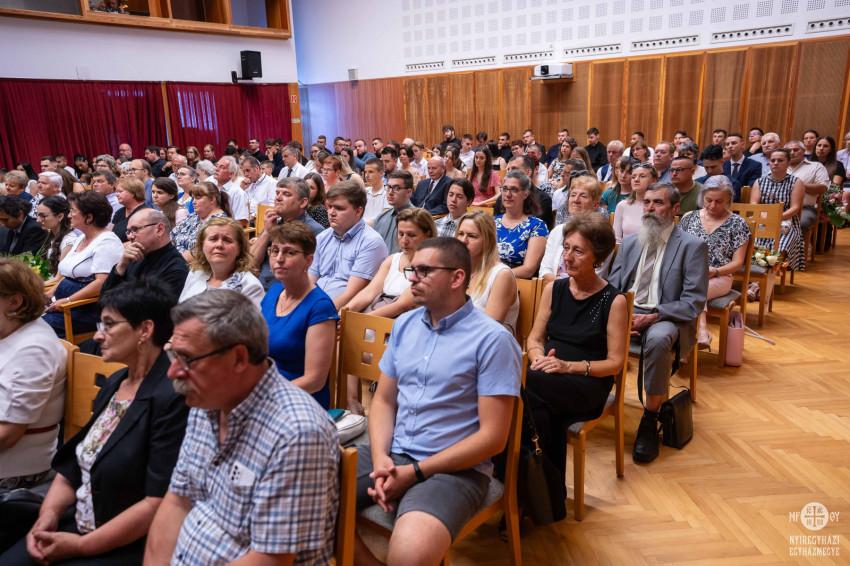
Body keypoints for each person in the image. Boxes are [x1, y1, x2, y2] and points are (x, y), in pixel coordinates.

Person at [353, 237, 521, 566]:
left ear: (457, 278)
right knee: (297, 495)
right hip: (395, 452)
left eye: (424, 271)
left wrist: (415, 472)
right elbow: (384, 401)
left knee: (409, 556)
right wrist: (381, 458)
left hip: (455, 469)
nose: (412, 278)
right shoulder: (404, 325)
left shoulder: (493, 340)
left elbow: (493, 438)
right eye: (412, 270)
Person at [1, 278, 188, 565]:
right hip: (81, 517)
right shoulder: (116, 381)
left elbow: (158, 502)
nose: (98, 336)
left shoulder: (173, 399)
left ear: (145, 329)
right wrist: (47, 515)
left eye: (108, 325)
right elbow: (73, 464)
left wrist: (81, 546)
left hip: (124, 539)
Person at [144, 290, 339, 565]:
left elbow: (269, 560)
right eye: (173, 354)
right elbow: (177, 501)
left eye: (186, 358)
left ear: (238, 358)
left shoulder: (297, 434)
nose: (173, 371)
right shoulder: (207, 401)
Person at [607, 183, 708, 463]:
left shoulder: (692, 246)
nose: (650, 208)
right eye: (647, 202)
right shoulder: (630, 243)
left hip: (666, 314)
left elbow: (693, 301)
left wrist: (652, 316)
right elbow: (613, 286)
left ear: (675, 208)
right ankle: (589, 398)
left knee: (658, 338)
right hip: (628, 309)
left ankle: (650, 419)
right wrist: (619, 315)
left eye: (658, 203)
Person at [524, 213, 627, 483]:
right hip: (545, 375)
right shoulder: (554, 289)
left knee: (519, 387)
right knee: (537, 412)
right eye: (566, 248)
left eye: (578, 251)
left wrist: (567, 366)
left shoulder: (614, 301)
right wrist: (538, 359)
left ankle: (519, 484)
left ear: (598, 257)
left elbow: (615, 364)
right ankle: (544, 491)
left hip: (587, 382)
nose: (567, 257)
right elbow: (534, 340)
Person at [0, 259, 67, 492]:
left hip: (15, 471)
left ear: (14, 302)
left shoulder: (34, 349)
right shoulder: (11, 330)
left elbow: (7, 435)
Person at [262, 221, 339, 409]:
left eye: (289, 252)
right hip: (265, 386)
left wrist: (263, 396)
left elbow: (315, 381)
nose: (279, 259)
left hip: (298, 401)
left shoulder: (320, 306)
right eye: (275, 251)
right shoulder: (273, 292)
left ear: (308, 261)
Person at [679, 176, 751, 349]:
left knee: (692, 290)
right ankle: (696, 338)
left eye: (719, 201)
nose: (712, 205)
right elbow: (677, 249)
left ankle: (696, 336)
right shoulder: (689, 218)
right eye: (708, 200)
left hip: (721, 276)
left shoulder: (738, 223)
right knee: (688, 287)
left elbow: (738, 263)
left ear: (728, 200)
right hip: (689, 274)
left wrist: (716, 271)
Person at [43, 192, 124, 338]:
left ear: (89, 217)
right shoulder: (81, 238)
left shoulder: (107, 242)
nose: (69, 215)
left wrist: (68, 301)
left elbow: (101, 283)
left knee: (31, 327)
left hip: (84, 309)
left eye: (73, 211)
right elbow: (68, 275)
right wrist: (50, 293)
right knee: (18, 316)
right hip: (64, 304)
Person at [344, 207, 436, 319]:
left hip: (403, 321)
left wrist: (359, 321)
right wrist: (344, 313)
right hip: (376, 316)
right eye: (401, 234)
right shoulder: (392, 260)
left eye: (411, 235)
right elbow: (368, 293)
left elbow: (402, 305)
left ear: (427, 234)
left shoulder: (432, 266)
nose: (404, 241)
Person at [309, 180, 388, 308]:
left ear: (358, 212)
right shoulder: (322, 237)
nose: (331, 212)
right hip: (314, 306)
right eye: (330, 206)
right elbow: (310, 282)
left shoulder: (371, 242)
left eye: (339, 208)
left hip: (341, 313)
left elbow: (351, 294)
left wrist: (316, 314)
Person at [748, 148, 805, 299]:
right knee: (756, 243)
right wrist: (767, 218)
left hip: (786, 223)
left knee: (781, 245)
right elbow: (754, 205)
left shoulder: (796, 181)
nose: (775, 163)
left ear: (788, 163)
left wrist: (777, 218)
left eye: (780, 160)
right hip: (763, 221)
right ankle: (759, 282)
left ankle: (757, 284)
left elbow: (795, 208)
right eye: (773, 160)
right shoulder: (760, 181)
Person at [102, 209, 188, 299]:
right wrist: (121, 266)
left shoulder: (176, 268)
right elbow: (104, 297)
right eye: (128, 232)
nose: (130, 237)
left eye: (135, 229)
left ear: (160, 229)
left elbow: (145, 305)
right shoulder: (132, 259)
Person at [456, 209, 519, 332]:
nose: (463, 241)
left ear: (488, 240)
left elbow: (488, 332)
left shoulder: (501, 275)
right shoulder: (454, 270)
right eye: (460, 234)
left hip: (485, 342)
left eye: (472, 236)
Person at [179, 217, 263, 309]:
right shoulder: (195, 273)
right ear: (203, 246)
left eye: (227, 240)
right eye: (213, 239)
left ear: (239, 248)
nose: (219, 245)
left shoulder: (250, 286)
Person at [541, 176, 611, 282]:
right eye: (573, 195)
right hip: (554, 286)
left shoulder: (602, 235)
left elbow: (595, 275)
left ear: (595, 205)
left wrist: (562, 287)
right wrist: (559, 286)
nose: (576, 200)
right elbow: (544, 270)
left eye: (583, 196)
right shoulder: (557, 231)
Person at [495, 171, 548, 279]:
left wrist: (494, 276)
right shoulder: (492, 223)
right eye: (505, 189)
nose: (508, 194)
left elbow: (528, 270)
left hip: (516, 282)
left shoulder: (537, 226)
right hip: (487, 279)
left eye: (514, 190)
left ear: (525, 194)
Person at [170, 182, 230, 258]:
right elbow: (172, 236)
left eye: (198, 198)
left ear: (212, 199)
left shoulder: (220, 222)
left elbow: (200, 253)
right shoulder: (193, 216)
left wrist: (172, 260)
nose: (193, 202)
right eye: (193, 198)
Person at [614, 162, 657, 243]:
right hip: (626, 249)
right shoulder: (622, 205)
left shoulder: (659, 207)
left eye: (642, 176)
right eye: (633, 177)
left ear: (653, 181)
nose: (636, 180)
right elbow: (616, 240)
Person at [34, 196, 74, 280]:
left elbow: (60, 278)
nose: (38, 220)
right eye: (37, 215)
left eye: (43, 216)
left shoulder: (69, 241)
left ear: (60, 216)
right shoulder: (51, 236)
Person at [111, 176, 149, 243]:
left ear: (133, 193)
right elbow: (110, 234)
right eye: (116, 192)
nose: (117, 195)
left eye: (120, 191)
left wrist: (119, 247)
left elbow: (142, 241)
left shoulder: (145, 213)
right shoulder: (120, 212)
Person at [362, 158, 390, 223]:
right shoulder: (364, 191)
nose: (367, 175)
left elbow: (384, 218)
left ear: (381, 173)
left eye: (371, 172)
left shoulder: (388, 192)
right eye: (366, 172)